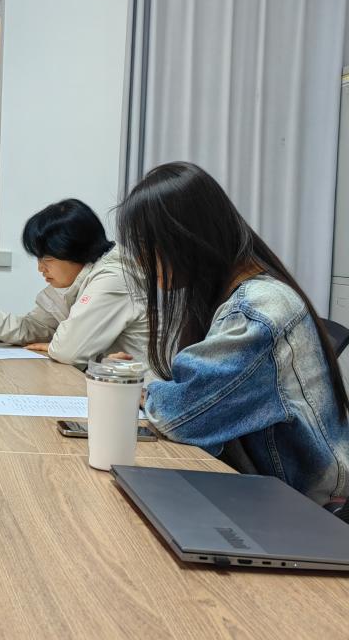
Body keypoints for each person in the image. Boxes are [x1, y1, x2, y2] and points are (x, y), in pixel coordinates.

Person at [117, 161, 349, 505]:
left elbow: (183, 416)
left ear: (185, 238)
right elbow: (196, 395)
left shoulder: (258, 309)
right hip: (268, 493)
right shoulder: (242, 294)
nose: (140, 262)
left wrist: (144, 389)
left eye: (145, 246)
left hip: (301, 508)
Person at [0, 199, 148, 367]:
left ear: (77, 252)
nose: (41, 268)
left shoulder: (113, 278)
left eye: (47, 259)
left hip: (143, 395)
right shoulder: (78, 281)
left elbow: (68, 351)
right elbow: (36, 328)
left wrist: (55, 347)